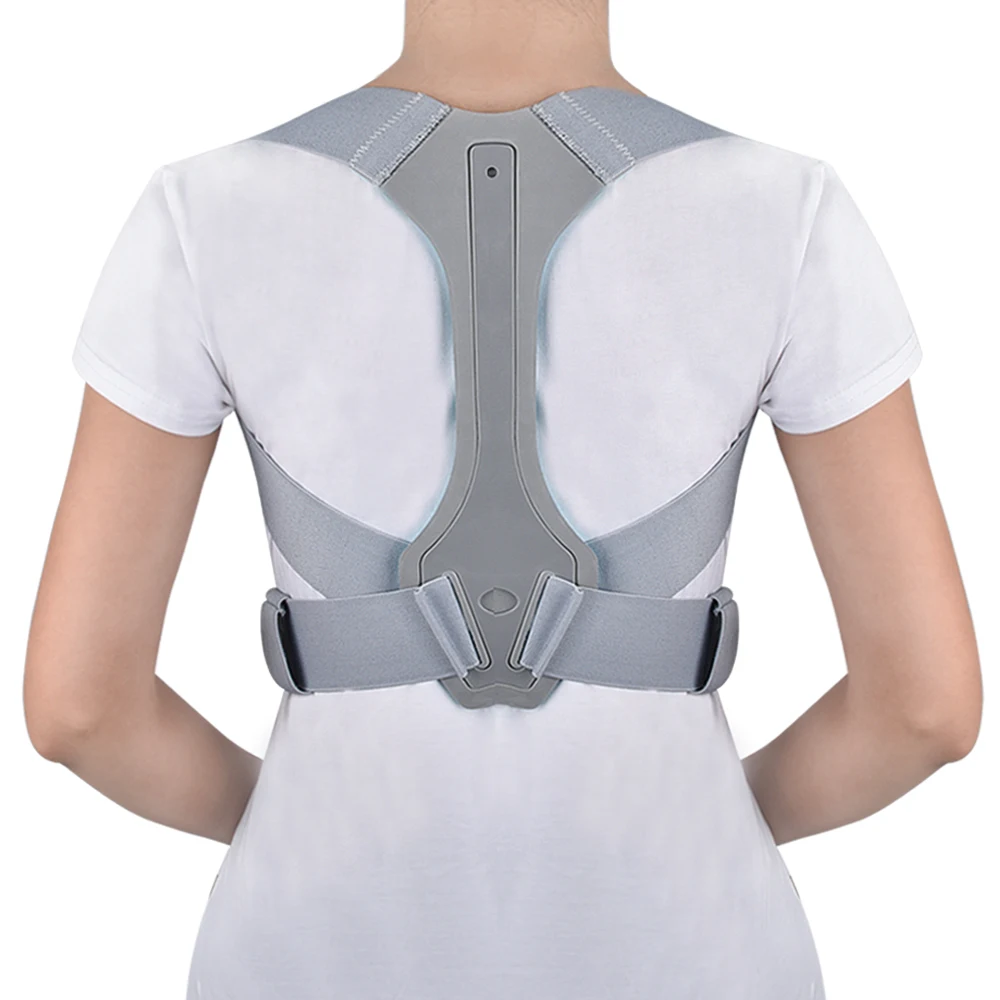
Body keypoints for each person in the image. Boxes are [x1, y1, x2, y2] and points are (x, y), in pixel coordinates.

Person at [23, 1, 982, 998]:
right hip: (698, 951)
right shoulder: (788, 209)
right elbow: (924, 709)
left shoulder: (202, 210)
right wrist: (711, 821)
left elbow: (79, 709)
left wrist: (293, 822)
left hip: (308, 951)